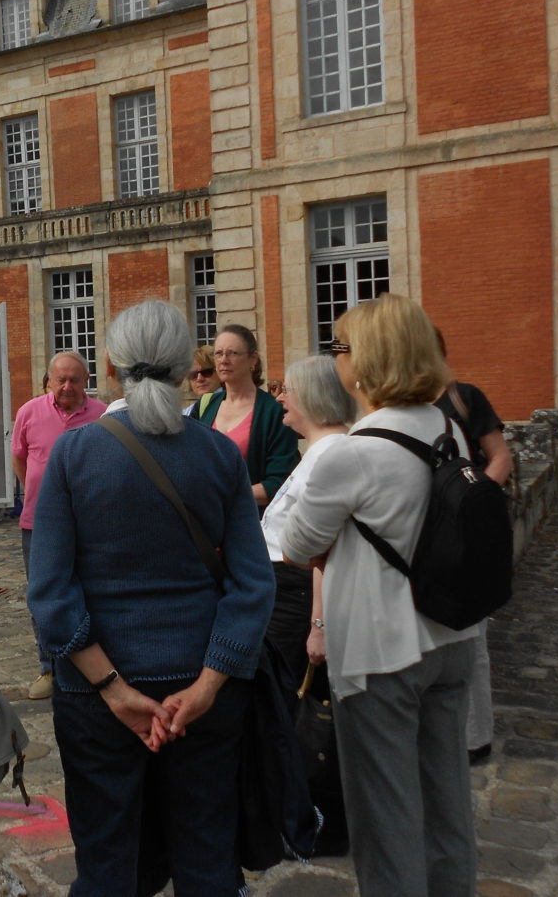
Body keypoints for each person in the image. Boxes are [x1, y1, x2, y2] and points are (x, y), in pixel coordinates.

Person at [28, 301, 274, 897]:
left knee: (107, 863)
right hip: (202, 687)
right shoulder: (219, 454)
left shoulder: (75, 454)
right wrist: (209, 684)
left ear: (111, 366)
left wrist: (113, 688)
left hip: (96, 694)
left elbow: (50, 589)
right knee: (207, 860)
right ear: (186, 368)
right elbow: (252, 583)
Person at [280, 293, 481, 896]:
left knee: (385, 816)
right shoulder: (449, 430)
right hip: (451, 633)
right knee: (447, 801)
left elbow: (296, 544)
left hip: (381, 651)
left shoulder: (353, 452)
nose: (335, 358)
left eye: (339, 347)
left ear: (366, 361)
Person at [434, 331, 513, 764]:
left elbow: (500, 457)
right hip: (427, 537)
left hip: (465, 531)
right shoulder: (397, 405)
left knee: (472, 637)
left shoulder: (463, 398)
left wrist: (471, 503)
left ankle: (475, 738)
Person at [11, 352, 107, 700]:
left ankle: (93, 667)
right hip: (38, 523)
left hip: (89, 523)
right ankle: (49, 667)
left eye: (74, 380)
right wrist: (37, 493)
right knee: (43, 596)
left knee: (91, 592)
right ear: (49, 380)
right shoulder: (29, 412)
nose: (67, 386)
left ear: (86, 381)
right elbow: (19, 456)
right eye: (60, 380)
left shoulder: (102, 415)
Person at [260, 355, 357, 689]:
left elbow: (325, 551)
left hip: (294, 593)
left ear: (313, 396)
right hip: (282, 586)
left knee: (284, 688)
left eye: (288, 390)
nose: (280, 398)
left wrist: (319, 625)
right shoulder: (321, 450)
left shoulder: (331, 453)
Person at [191, 324, 300, 510]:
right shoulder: (205, 406)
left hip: (251, 520)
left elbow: (281, 483)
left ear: (253, 359)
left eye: (232, 353)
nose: (224, 360)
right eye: (218, 353)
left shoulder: (273, 412)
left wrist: (225, 495)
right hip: (207, 520)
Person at [182, 344, 218, 416]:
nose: (199, 379)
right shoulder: (186, 414)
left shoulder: (232, 406)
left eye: (206, 372)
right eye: (193, 375)